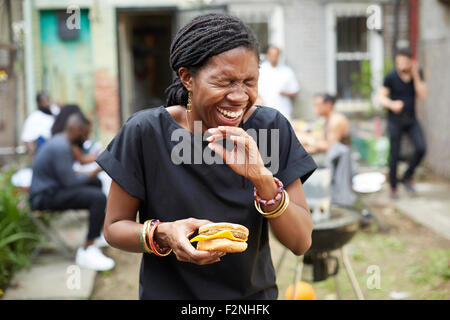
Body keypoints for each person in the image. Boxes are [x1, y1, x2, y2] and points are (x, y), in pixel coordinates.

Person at [96, 13, 317, 300]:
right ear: (187, 77)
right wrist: (164, 234)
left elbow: (301, 242)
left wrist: (261, 178)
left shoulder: (269, 129)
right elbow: (114, 228)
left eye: (249, 81)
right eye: (224, 82)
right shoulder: (145, 132)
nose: (239, 96)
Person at [29, 113, 114, 271]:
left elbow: (67, 176)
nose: (85, 137)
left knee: (95, 184)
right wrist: (96, 170)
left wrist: (91, 174)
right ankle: (87, 249)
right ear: (75, 130)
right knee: (98, 198)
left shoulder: (61, 141)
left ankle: (96, 234)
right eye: (85, 133)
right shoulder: (61, 147)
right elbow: (70, 183)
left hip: (52, 189)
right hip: (44, 197)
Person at [378, 48, 427, 198]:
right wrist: (392, 105)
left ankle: (407, 176)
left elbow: (423, 94)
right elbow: (381, 97)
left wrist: (416, 76)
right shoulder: (391, 77)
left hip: (411, 119)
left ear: (411, 61)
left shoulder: (416, 74)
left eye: (404, 62)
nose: (400, 65)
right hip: (395, 120)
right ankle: (393, 187)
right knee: (394, 154)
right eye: (398, 62)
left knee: (421, 148)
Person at [257, 45, 299, 121]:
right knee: (268, 132)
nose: (274, 58)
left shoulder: (287, 71)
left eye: (276, 55)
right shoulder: (261, 70)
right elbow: (254, 89)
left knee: (281, 132)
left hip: (283, 112)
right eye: (272, 55)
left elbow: (294, 92)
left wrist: (284, 93)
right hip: (264, 112)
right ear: (268, 55)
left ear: (279, 56)